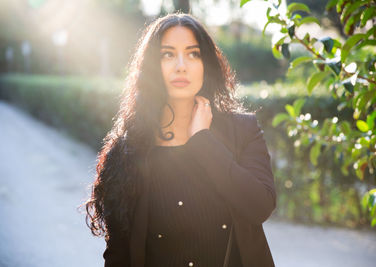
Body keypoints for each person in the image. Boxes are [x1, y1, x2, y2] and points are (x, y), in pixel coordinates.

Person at [85, 13, 276, 267]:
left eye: (193, 53)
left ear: (206, 63)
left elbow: (260, 206)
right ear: (153, 66)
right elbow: (118, 254)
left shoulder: (242, 131)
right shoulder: (129, 149)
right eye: (168, 54)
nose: (181, 65)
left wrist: (204, 141)